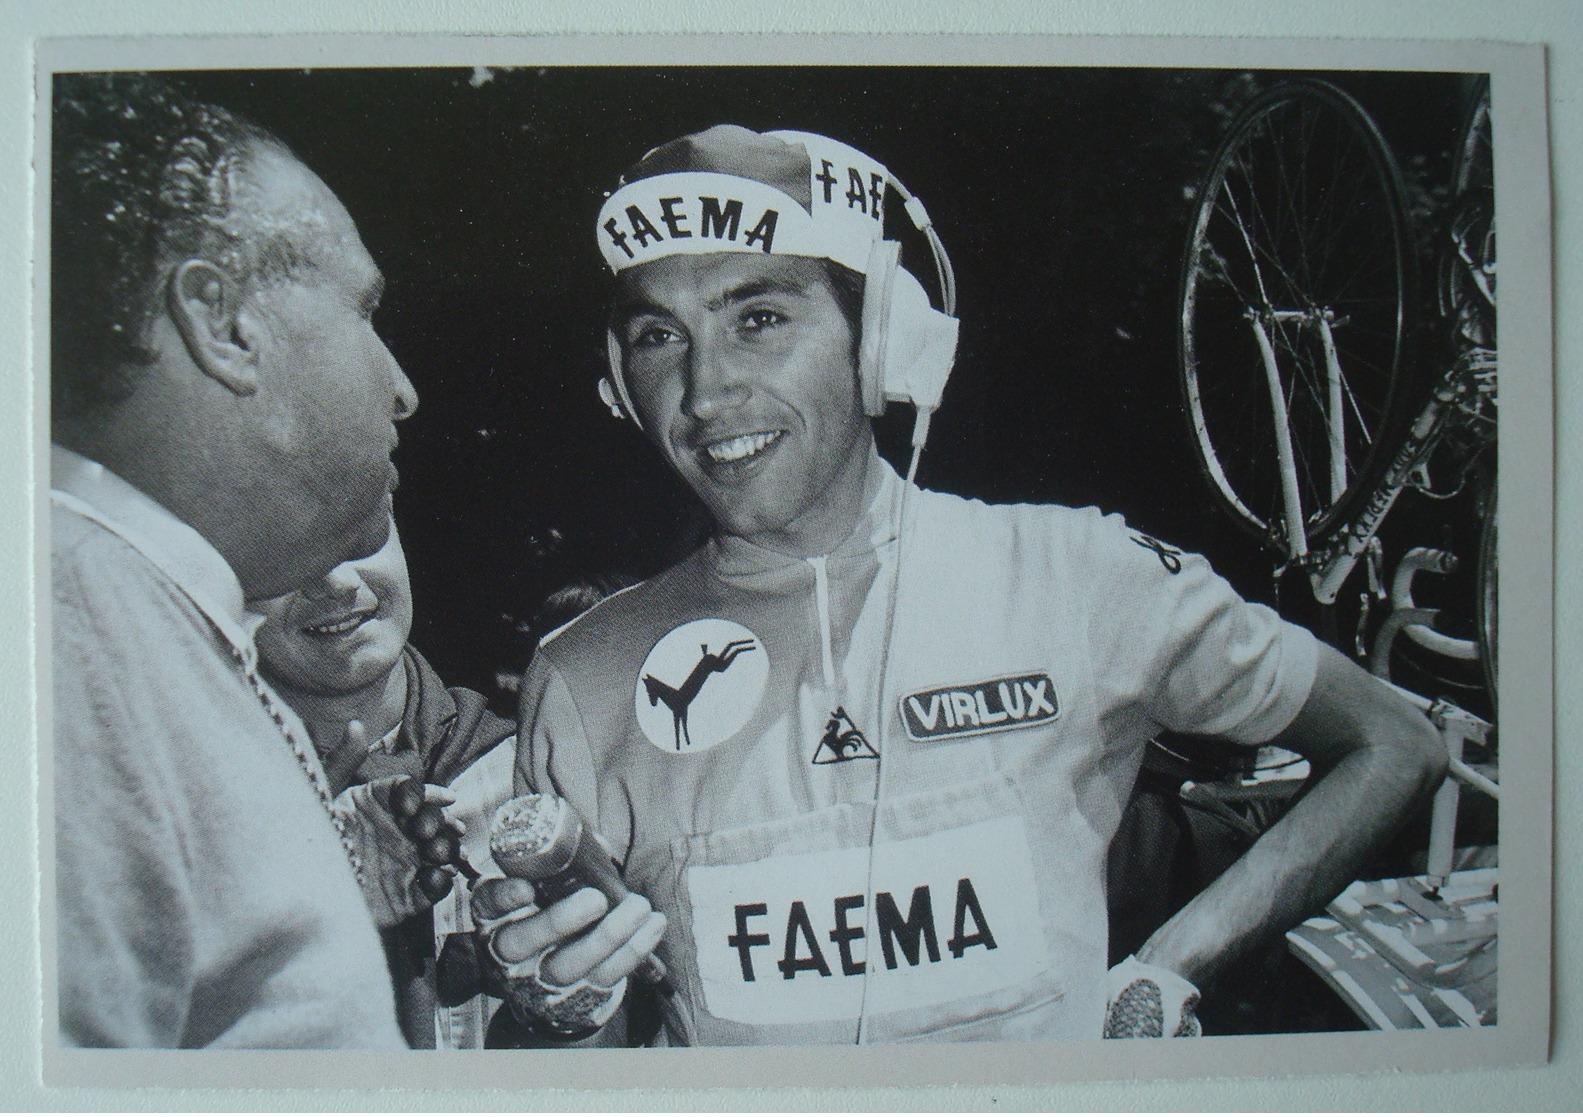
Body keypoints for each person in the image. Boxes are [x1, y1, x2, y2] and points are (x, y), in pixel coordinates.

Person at [480, 124, 1449, 1046]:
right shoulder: (583, 675)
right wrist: (546, 1010)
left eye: (759, 319)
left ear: (882, 344)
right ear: (617, 379)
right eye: (658, 339)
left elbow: (1388, 741)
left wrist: (1170, 966)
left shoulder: (1076, 575)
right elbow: (582, 1024)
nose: (704, 392)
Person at [51, 74, 418, 1047]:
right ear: (222, 323)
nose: (402, 389)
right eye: (365, 313)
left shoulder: (128, 616)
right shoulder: (61, 625)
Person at [251, 520, 518, 1049]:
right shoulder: (195, 823)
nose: (336, 582)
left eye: (358, 534)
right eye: (279, 548)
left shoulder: (532, 769)